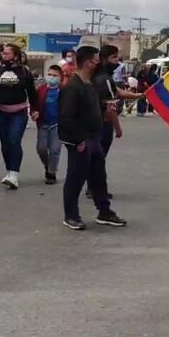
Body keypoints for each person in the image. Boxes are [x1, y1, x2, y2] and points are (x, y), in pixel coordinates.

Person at [59, 45, 126, 230]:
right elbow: (66, 117)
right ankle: (71, 215)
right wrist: (78, 140)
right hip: (80, 140)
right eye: (96, 61)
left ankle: (104, 211)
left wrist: (105, 106)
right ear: (88, 63)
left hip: (94, 137)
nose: (99, 64)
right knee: (76, 177)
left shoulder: (90, 84)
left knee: (98, 176)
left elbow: (92, 106)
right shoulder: (73, 87)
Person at [0, 43, 37, 190]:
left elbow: (32, 92)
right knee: (5, 143)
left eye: (7, 53)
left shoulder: (24, 72)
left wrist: (34, 109)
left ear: (16, 56)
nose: (4, 55)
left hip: (19, 112)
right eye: (3, 53)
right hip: (0, 112)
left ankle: (14, 174)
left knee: (14, 140)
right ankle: (9, 170)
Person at [35, 64, 64, 184]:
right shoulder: (41, 90)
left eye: (55, 75)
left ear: (61, 77)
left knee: (54, 150)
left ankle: (51, 173)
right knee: (41, 149)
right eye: (49, 74)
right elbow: (34, 104)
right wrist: (34, 112)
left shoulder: (63, 91)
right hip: (43, 124)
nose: (51, 77)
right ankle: (48, 166)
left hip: (57, 125)